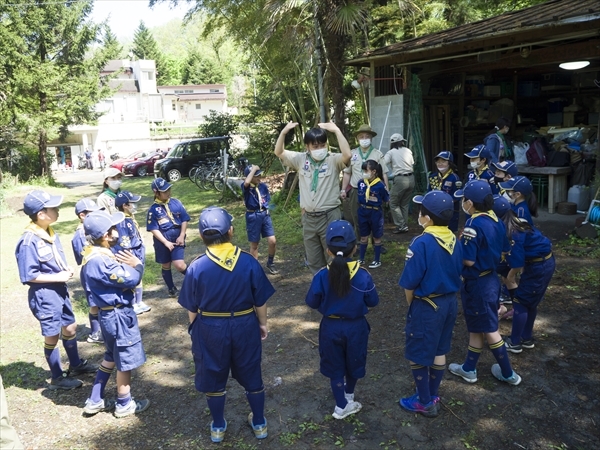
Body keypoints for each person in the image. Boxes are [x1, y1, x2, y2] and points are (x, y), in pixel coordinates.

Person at [178, 207, 275, 443]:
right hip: (244, 323)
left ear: (201, 236)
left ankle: (219, 426)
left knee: (212, 372)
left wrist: (195, 329)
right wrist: (262, 323)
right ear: (231, 231)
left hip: (210, 327)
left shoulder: (196, 266)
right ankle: (260, 422)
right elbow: (259, 300)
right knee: (251, 370)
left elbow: (192, 307)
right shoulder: (248, 262)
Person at [15, 190, 97, 390]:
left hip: (59, 290)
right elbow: (28, 275)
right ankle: (57, 377)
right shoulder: (28, 241)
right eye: (53, 208)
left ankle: (76, 364)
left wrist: (65, 269)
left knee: (70, 328)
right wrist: (57, 277)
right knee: (52, 334)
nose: (57, 210)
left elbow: (54, 260)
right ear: (41, 214)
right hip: (45, 294)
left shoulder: (50, 233)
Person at [448, 180, 522, 386]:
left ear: (470, 203)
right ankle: (469, 368)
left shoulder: (473, 224)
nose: (463, 203)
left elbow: (469, 259)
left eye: (464, 200)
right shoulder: (495, 220)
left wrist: (455, 249)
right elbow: (505, 248)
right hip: (489, 279)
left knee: (489, 328)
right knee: (476, 326)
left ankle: (508, 373)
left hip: (477, 284)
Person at [305, 220, 379, 420]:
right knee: (354, 361)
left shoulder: (321, 275)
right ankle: (348, 396)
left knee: (334, 365)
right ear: (355, 248)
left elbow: (311, 302)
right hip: (356, 328)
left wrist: (325, 307)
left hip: (330, 327)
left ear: (328, 250)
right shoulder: (363, 276)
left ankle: (341, 404)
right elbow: (373, 301)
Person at [398, 191, 462, 417]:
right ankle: (432, 394)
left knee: (418, 352)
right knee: (438, 349)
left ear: (428, 218)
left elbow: (410, 284)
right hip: (449, 304)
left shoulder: (421, 243)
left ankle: (424, 401)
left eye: (421, 211)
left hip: (427, 305)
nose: (418, 214)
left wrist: (412, 306)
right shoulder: (454, 238)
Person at [80, 210, 150, 418]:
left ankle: (95, 399)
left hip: (109, 316)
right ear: (104, 235)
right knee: (124, 361)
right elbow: (131, 279)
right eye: (112, 228)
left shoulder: (95, 255)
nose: (117, 230)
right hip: (118, 317)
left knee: (111, 357)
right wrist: (137, 265)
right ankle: (124, 403)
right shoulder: (100, 261)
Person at [274, 121, 351, 274]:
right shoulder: (300, 159)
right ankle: (320, 290)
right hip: (309, 218)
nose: (319, 149)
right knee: (314, 260)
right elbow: (279, 152)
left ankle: (335, 291)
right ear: (307, 147)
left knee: (334, 257)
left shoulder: (333, 160)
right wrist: (283, 132)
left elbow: (347, 155)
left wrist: (336, 130)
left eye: (322, 145)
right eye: (315, 146)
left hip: (330, 216)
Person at [492, 196, 555, 354]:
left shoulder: (512, 232)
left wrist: (511, 276)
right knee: (530, 303)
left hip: (538, 266)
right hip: (541, 263)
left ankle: (515, 343)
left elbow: (517, 263)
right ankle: (526, 338)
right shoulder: (515, 221)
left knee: (521, 303)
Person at [341, 124, 389, 238]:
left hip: (374, 191)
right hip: (356, 191)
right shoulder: (352, 154)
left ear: (371, 138)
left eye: (367, 136)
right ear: (357, 138)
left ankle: (377, 241)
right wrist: (343, 189)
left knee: (375, 216)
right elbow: (347, 173)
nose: (364, 139)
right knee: (356, 217)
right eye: (361, 136)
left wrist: (386, 189)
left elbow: (384, 173)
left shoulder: (377, 154)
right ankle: (359, 242)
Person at [146, 177, 189, 297]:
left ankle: (197, 279)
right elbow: (153, 228)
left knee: (179, 264)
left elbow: (184, 219)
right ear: (156, 192)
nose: (168, 193)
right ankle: (171, 288)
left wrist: (182, 235)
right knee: (166, 264)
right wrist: (165, 242)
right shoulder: (153, 210)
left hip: (177, 238)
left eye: (168, 189)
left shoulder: (176, 203)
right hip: (162, 241)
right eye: (164, 191)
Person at [72, 198, 104, 344]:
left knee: (102, 300)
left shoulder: (93, 228)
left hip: (100, 267)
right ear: (82, 216)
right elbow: (82, 256)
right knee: (94, 304)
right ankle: (95, 333)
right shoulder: (80, 234)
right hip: (90, 270)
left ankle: (102, 329)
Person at [114, 191, 151, 315]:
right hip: (132, 251)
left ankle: (139, 301)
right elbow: (124, 240)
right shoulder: (122, 221)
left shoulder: (130, 218)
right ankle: (133, 302)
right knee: (133, 275)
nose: (135, 205)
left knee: (140, 276)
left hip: (138, 248)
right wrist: (130, 255)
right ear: (125, 205)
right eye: (132, 203)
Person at [242, 165, 278, 274]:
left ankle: (270, 263)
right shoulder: (246, 187)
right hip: (253, 216)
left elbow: (266, 199)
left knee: (272, 241)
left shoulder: (262, 186)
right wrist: (253, 170)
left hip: (264, 215)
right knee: (255, 244)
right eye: (256, 175)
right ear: (250, 176)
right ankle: (255, 267)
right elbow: (247, 182)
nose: (259, 177)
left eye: (259, 175)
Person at [356, 160, 389, 268]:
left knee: (376, 237)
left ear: (374, 171)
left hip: (375, 212)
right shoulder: (361, 183)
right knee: (363, 236)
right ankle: (361, 258)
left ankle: (377, 260)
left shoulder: (380, 185)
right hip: (363, 211)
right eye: (363, 170)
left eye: (366, 170)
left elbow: (386, 198)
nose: (364, 172)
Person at [383, 133, 415, 234]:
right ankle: (404, 225)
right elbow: (412, 163)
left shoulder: (391, 152)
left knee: (393, 202)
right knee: (404, 204)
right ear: (401, 142)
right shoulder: (408, 151)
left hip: (400, 179)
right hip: (411, 178)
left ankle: (401, 226)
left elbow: (383, 163)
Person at [427, 151, 462, 232]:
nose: (440, 164)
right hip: (435, 210)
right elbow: (429, 193)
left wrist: (444, 203)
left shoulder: (454, 178)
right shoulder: (433, 177)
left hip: (450, 212)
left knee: (450, 232)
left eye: (443, 161)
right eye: (438, 162)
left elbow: (457, 196)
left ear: (449, 163)